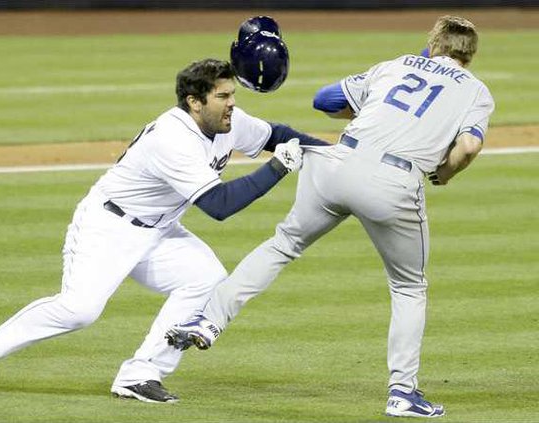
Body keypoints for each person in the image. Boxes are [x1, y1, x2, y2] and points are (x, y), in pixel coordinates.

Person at [166, 16, 494, 418]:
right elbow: (469, 147)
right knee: (409, 286)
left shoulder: (396, 65)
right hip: (392, 183)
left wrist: (368, 109)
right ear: (470, 55)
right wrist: (443, 173)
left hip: (335, 163)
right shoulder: (477, 92)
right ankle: (402, 393)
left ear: (432, 45)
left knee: (282, 245)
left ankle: (208, 321)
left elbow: (324, 101)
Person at [0, 58, 331, 403]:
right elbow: (219, 206)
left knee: (206, 279)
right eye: (223, 96)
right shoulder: (174, 137)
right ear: (194, 102)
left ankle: (141, 374)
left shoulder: (227, 122)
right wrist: (276, 169)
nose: (232, 102)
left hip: (160, 230)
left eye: (232, 94)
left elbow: (275, 134)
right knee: (80, 310)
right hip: (108, 226)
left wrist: (336, 152)